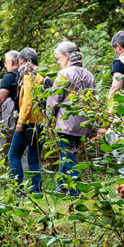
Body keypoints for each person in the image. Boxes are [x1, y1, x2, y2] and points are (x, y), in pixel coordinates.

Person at [47, 40, 95, 193]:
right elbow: (92, 101)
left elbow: (54, 99)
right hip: (82, 124)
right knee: (67, 154)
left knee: (68, 157)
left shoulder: (65, 74)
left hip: (66, 123)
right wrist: (92, 125)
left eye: (59, 58)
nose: (58, 62)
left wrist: (48, 116)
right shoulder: (88, 74)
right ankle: (61, 187)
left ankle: (75, 191)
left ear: (67, 55)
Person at [10, 47, 45, 193]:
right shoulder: (41, 76)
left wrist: (21, 121)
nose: (20, 67)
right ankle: (37, 190)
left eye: (21, 63)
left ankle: (18, 188)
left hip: (29, 122)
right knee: (34, 158)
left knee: (13, 155)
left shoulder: (29, 76)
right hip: (40, 122)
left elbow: (28, 101)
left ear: (29, 61)